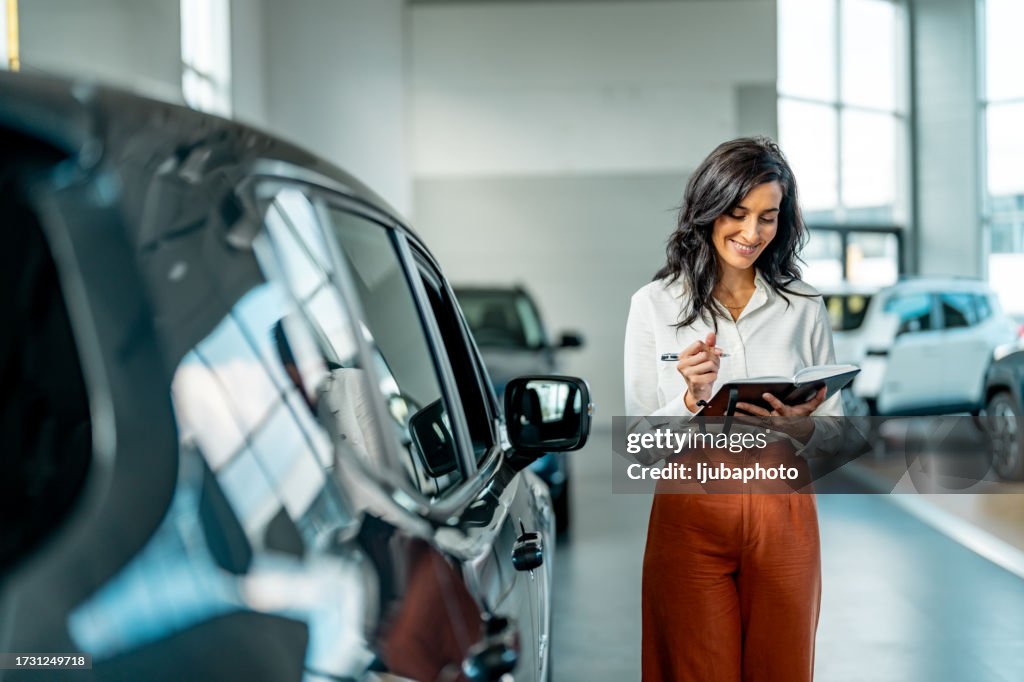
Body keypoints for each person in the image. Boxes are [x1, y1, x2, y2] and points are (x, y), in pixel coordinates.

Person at [623, 136, 843, 681]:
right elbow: (638, 447)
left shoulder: (804, 306)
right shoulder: (654, 305)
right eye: (738, 213)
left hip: (784, 508)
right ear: (708, 209)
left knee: (782, 669)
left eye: (768, 217)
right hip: (691, 511)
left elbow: (837, 438)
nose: (751, 233)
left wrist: (805, 425)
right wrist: (691, 399)